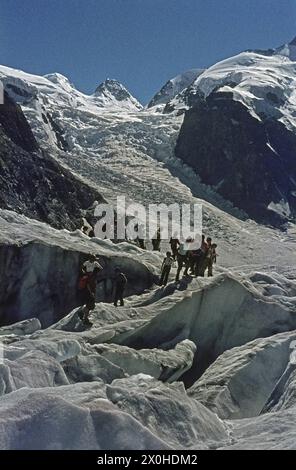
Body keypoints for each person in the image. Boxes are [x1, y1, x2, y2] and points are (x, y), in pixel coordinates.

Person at [77, 254, 103, 326]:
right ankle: (85, 319)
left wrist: (83, 272)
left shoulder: (87, 275)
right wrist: (91, 292)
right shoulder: (91, 276)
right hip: (89, 292)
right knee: (90, 305)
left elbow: (81, 268)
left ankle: (82, 313)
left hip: (87, 291)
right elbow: (89, 284)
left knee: (90, 305)